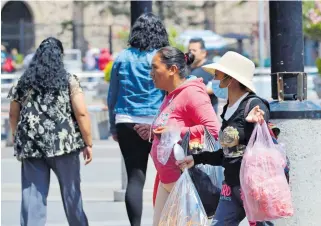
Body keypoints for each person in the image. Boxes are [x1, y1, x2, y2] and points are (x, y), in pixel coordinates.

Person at [177, 51, 274, 226]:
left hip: (253, 186)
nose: (214, 81)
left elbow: (263, 116)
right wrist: (196, 159)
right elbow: (226, 154)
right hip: (231, 187)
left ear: (231, 79)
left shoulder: (254, 104)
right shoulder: (228, 109)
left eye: (217, 76)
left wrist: (259, 118)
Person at [8, 37, 92, 226]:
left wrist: (15, 137)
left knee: (33, 196)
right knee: (72, 193)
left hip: (32, 146)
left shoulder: (24, 82)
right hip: (65, 145)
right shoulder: (69, 80)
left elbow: (13, 113)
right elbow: (81, 113)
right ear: (60, 56)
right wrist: (89, 143)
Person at [135, 46, 221, 226]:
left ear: (172, 69)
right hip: (167, 179)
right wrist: (153, 132)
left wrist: (174, 131)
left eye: (155, 67)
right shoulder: (170, 95)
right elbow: (172, 126)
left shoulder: (192, 93)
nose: (151, 73)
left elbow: (213, 130)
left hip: (185, 180)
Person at [107, 13, 169, 226]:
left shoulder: (123, 57)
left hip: (126, 120)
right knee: (168, 175)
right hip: (156, 122)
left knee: (135, 177)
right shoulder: (161, 57)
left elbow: (112, 95)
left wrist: (112, 126)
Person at [188, 38, 219, 113]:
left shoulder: (212, 67)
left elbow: (218, 88)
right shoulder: (185, 67)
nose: (191, 53)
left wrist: (194, 90)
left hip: (207, 112)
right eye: (189, 50)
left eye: (194, 50)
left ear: (203, 53)